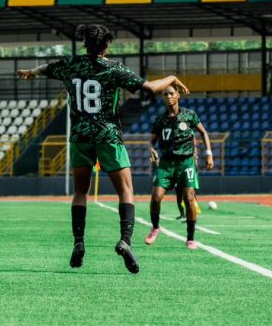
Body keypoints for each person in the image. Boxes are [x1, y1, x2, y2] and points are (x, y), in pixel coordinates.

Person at [16, 24, 189, 274]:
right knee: (125, 190)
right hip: (108, 135)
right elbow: (151, 88)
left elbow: (46, 68)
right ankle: (125, 240)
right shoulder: (114, 68)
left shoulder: (70, 64)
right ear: (106, 45)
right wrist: (172, 78)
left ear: (85, 43)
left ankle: (78, 242)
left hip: (80, 135)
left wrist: (32, 72)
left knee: (80, 191)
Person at [144, 85, 213, 249]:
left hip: (186, 162)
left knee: (189, 198)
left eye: (171, 93)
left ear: (178, 95)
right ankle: (155, 227)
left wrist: (209, 153)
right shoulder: (160, 120)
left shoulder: (189, 115)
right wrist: (151, 149)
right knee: (156, 197)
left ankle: (190, 238)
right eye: (165, 94)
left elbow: (203, 133)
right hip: (166, 164)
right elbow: (151, 142)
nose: (168, 96)